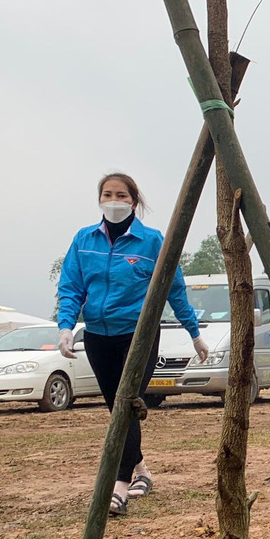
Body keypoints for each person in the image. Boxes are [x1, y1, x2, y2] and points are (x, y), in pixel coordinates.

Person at [56, 173, 209, 517]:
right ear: (99, 199)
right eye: (108, 194)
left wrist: (194, 332)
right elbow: (71, 287)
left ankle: (119, 486)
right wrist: (66, 326)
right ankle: (142, 471)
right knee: (116, 410)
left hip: (138, 337)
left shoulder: (152, 242)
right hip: (97, 337)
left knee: (126, 406)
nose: (114, 200)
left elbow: (176, 290)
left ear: (134, 201)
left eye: (121, 195)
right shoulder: (83, 240)